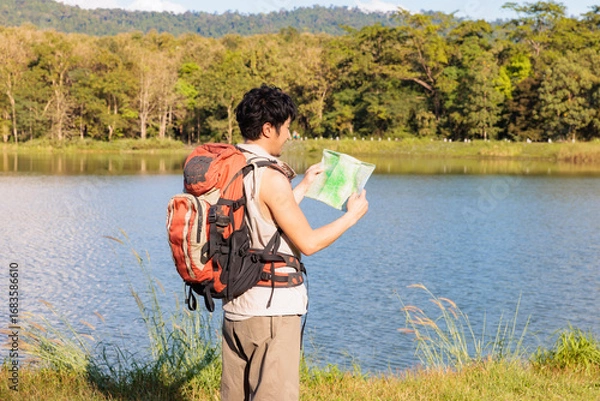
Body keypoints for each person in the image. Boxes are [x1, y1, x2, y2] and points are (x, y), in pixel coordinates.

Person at [220, 84, 369, 401]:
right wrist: (352, 216)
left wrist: (300, 188)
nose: (289, 136)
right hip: (272, 313)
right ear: (267, 128)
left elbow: (261, 219)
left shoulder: (231, 166)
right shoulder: (272, 177)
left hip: (235, 308)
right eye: (286, 128)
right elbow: (310, 243)